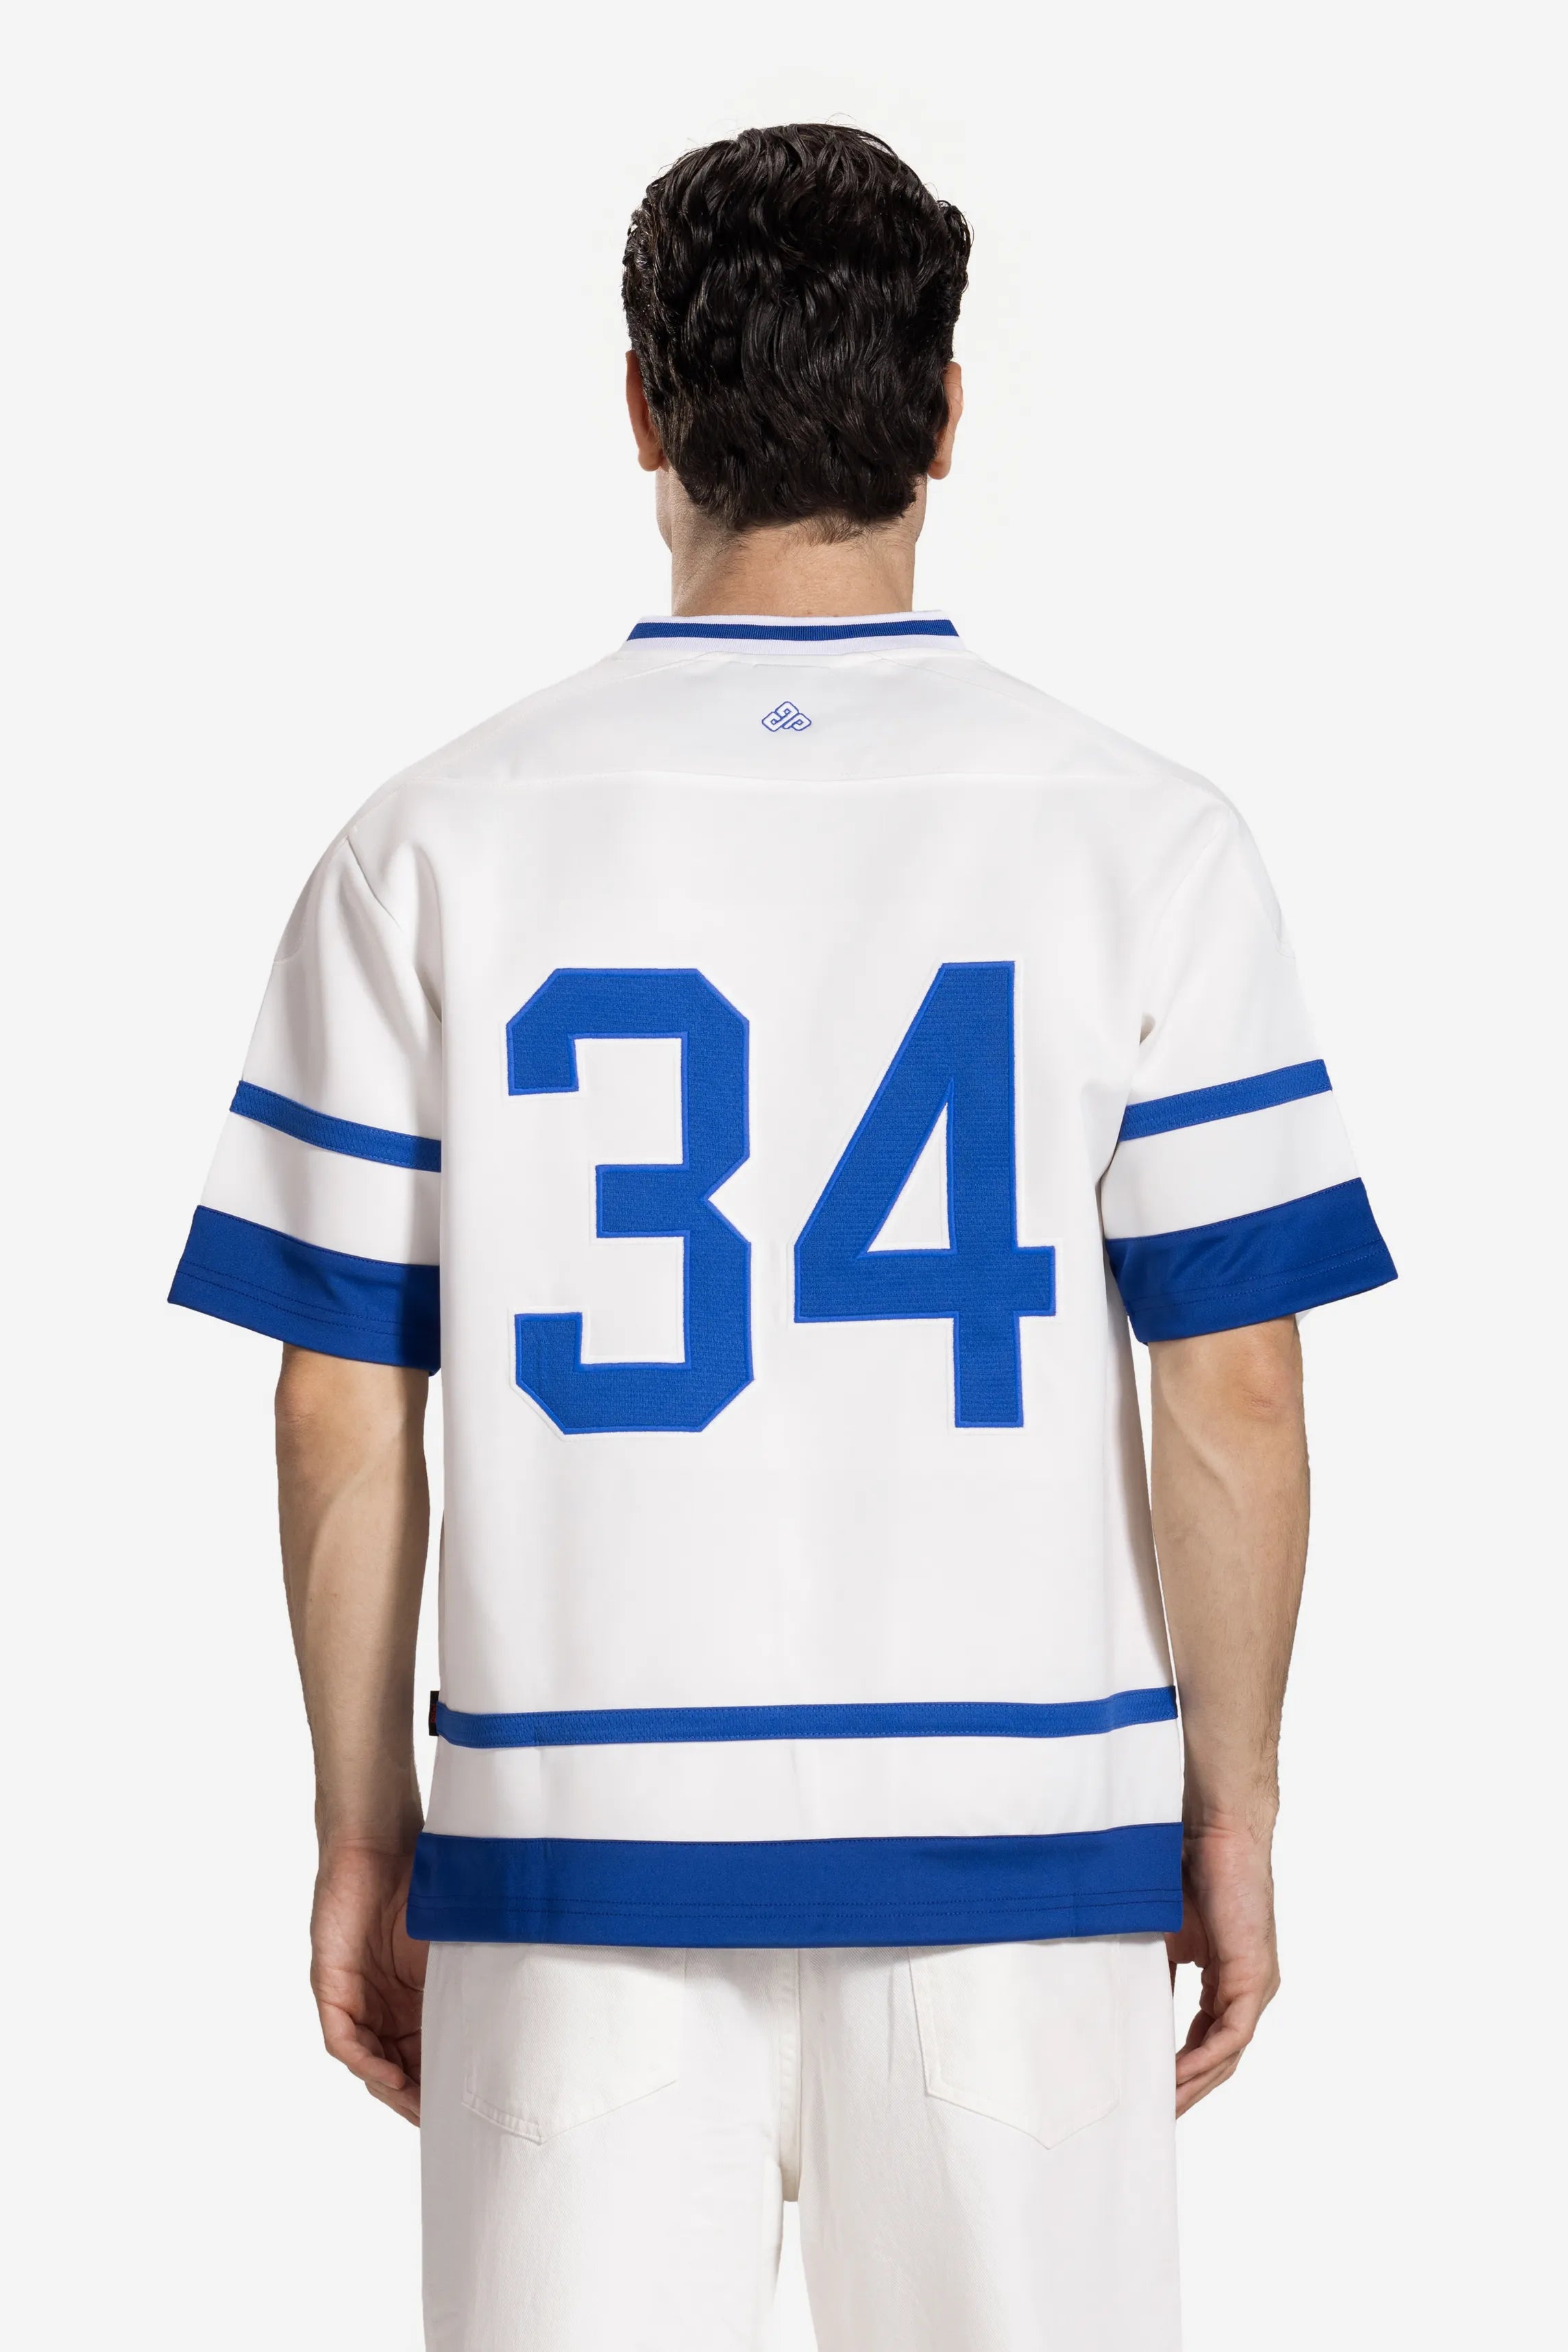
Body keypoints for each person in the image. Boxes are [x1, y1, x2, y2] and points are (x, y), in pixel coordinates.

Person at [169, 122, 1395, 2352]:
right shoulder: (1146, 840)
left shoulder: (430, 842)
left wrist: (362, 1830)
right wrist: (1233, 1808)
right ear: (947, 413)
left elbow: (339, 1400)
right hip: (1023, 1871)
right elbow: (1235, 1380)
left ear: (643, 409)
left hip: (572, 1863)